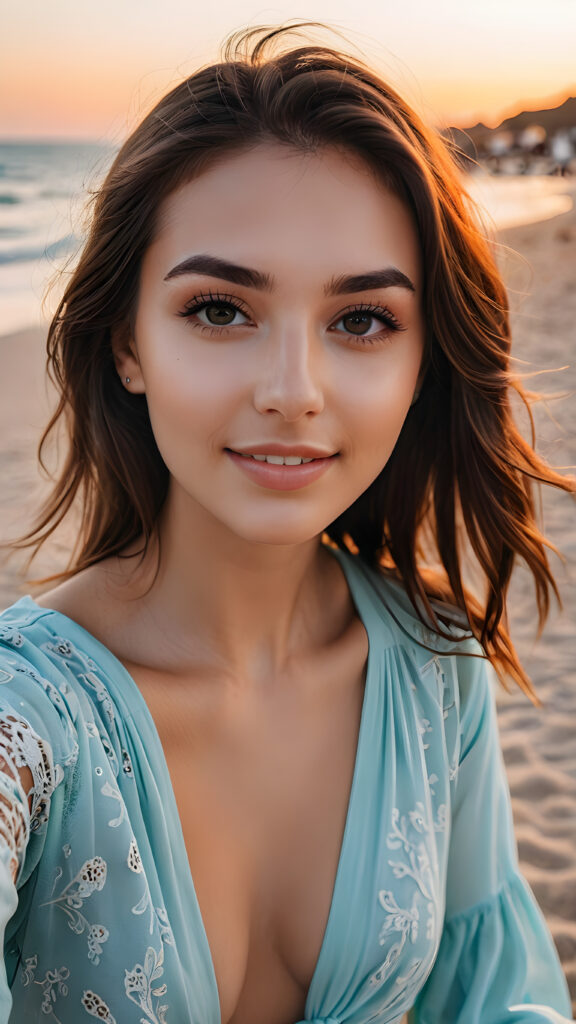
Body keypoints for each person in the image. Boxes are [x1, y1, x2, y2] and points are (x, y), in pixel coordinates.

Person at [0, 23, 573, 1024]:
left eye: (360, 320)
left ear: (420, 360)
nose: (294, 392)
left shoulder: (435, 667)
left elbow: (495, 997)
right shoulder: (29, 724)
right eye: (222, 309)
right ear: (126, 342)